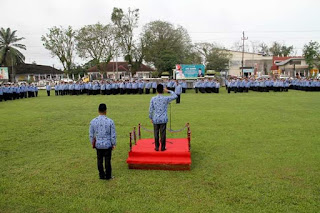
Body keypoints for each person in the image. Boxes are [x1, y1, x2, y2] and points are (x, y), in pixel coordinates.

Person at [89, 103, 117, 180]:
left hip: (98, 144)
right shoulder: (110, 121)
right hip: (107, 144)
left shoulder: (93, 121)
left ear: (98, 111)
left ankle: (101, 175)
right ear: (106, 111)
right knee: (107, 160)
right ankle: (108, 176)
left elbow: (91, 134)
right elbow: (113, 134)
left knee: (99, 160)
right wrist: (113, 143)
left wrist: (92, 143)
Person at [149, 84, 177, 151]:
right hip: (163, 118)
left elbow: (150, 109)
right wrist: (168, 91)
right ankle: (163, 147)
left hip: (155, 118)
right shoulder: (166, 98)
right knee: (163, 133)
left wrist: (151, 117)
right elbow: (175, 96)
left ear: (156, 90)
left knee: (156, 133)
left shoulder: (153, 99)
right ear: (163, 90)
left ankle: (157, 147)